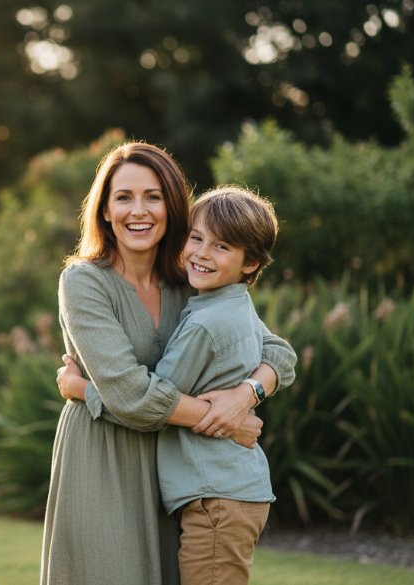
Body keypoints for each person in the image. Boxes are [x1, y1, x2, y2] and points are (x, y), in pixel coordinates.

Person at [42, 142, 296, 585]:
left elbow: (278, 352)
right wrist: (224, 421)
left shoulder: (192, 278)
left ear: (172, 207)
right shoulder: (83, 282)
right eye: (124, 197)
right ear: (105, 210)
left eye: (153, 197)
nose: (138, 211)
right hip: (104, 459)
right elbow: (130, 395)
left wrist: (246, 395)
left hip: (177, 472)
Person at [147, 185, 285, 584]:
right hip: (227, 493)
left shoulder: (207, 323)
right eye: (196, 238)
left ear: (251, 262)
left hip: (219, 498)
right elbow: (283, 355)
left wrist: (81, 388)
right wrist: (247, 394)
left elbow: (153, 398)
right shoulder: (232, 303)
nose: (202, 253)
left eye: (221, 246)